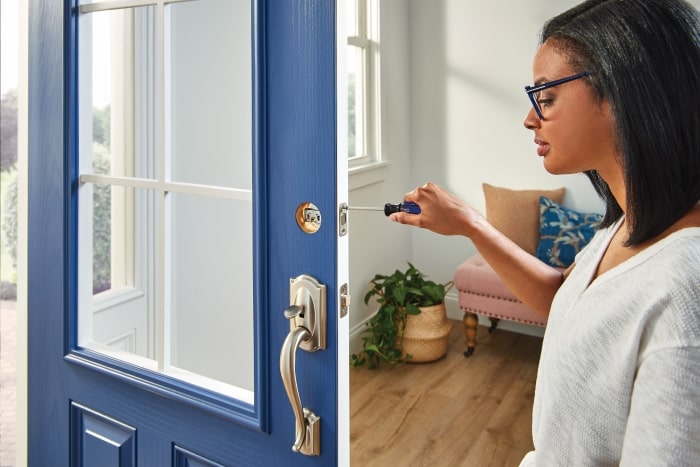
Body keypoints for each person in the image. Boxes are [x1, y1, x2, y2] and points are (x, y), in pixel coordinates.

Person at [390, 0, 700, 465]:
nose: (529, 117)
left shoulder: (684, 290)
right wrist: (470, 224)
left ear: (624, 89)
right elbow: (564, 300)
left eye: (546, 97)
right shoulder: (622, 225)